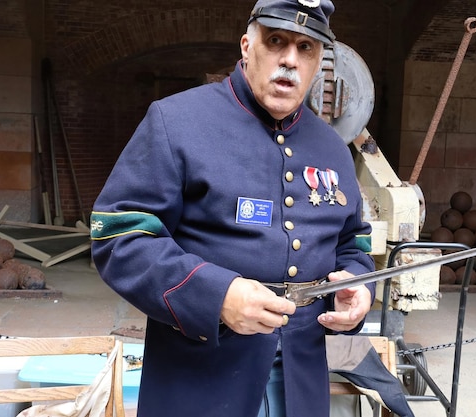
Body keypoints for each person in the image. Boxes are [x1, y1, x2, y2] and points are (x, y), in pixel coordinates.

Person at [90, 1, 375, 416]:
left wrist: (359, 285)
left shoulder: (332, 146)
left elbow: (353, 242)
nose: (290, 61)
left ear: (319, 63)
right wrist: (216, 295)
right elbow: (119, 236)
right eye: (276, 41)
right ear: (247, 45)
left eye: (306, 48)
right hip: (200, 380)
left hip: (300, 382)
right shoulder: (176, 121)